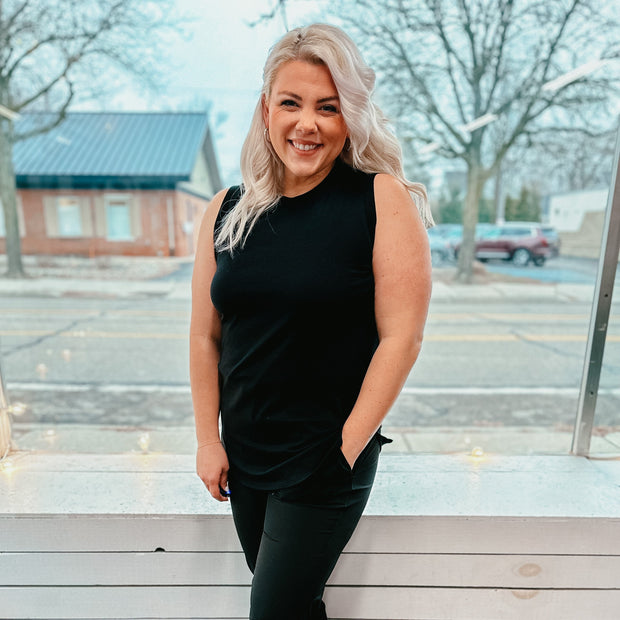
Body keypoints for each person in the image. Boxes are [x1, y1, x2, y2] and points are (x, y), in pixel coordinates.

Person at [190, 23, 432, 620]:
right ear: (264, 111)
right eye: (291, 103)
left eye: (329, 108)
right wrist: (207, 439)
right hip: (244, 453)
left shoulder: (380, 198)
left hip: (323, 454)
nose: (308, 124)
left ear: (349, 117)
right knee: (294, 608)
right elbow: (205, 335)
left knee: (273, 611)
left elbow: (402, 337)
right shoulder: (225, 211)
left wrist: (344, 449)